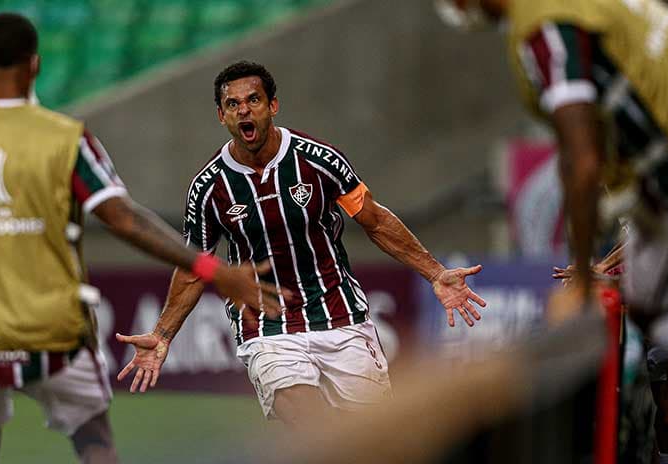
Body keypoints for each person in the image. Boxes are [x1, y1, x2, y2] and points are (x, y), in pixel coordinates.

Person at [0, 14, 280, 464]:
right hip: (54, 338)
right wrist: (215, 269)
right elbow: (124, 219)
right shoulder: (66, 139)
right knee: (95, 444)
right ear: (34, 66)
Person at [115, 60, 487, 428]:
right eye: (233, 104)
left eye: (254, 100)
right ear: (221, 116)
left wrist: (435, 273)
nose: (244, 110)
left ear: (272, 106)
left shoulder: (318, 160)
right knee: (309, 419)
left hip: (340, 315)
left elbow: (373, 220)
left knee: (377, 440)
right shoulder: (208, 188)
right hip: (267, 327)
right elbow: (194, 267)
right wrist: (162, 334)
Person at [436, 0, 668, 464]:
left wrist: (586, 286)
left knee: (655, 341)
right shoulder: (592, 9)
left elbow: (583, 160)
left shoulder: (543, 24)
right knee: (664, 405)